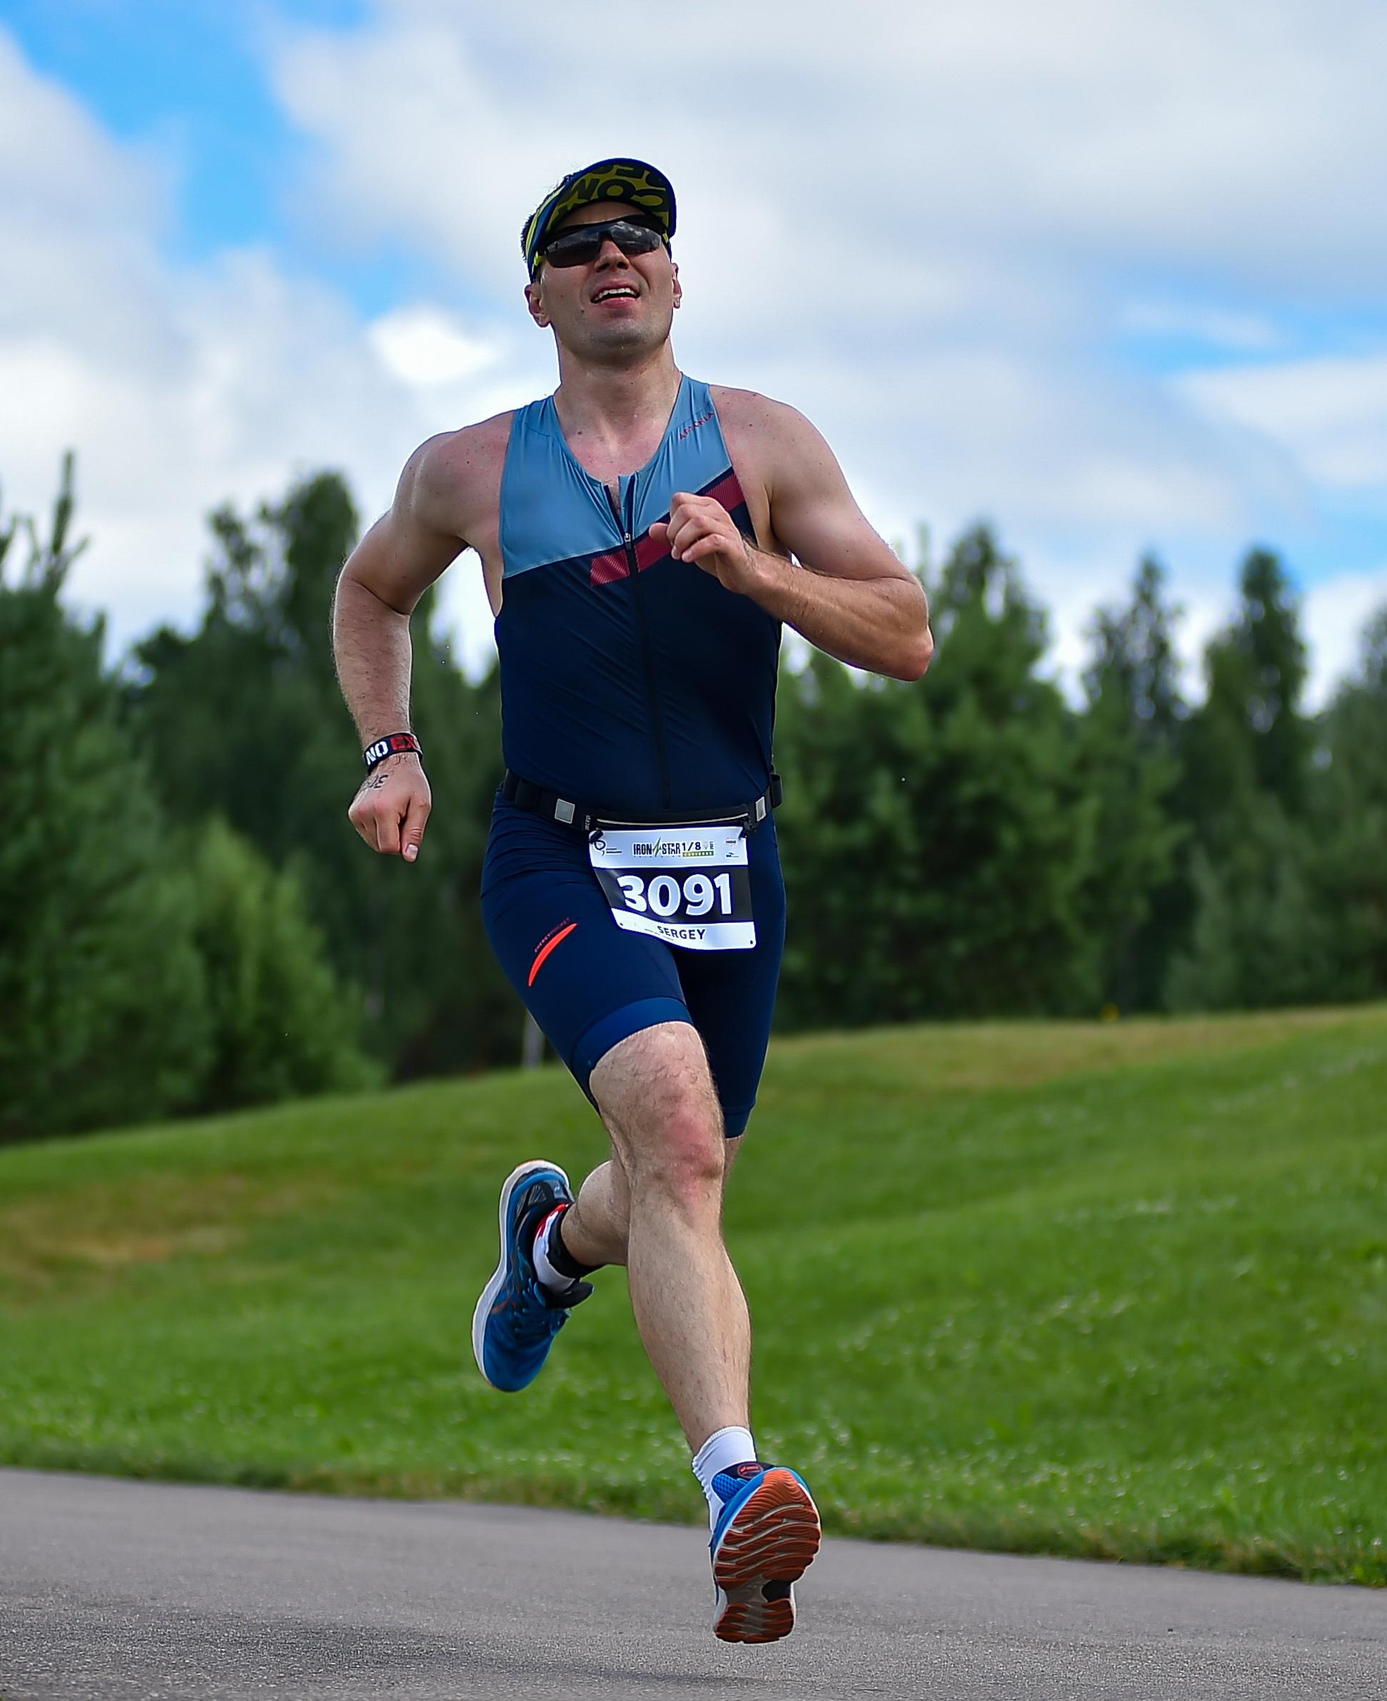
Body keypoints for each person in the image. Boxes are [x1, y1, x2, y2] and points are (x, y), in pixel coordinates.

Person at [333, 157, 932, 1643]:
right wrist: (392, 749)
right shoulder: (469, 468)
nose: (619, 254)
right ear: (535, 293)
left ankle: (550, 1252)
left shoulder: (766, 444)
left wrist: (759, 572)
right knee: (674, 1127)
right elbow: (370, 594)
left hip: (735, 862)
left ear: (676, 277)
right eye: (582, 242)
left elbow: (907, 633)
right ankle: (739, 1491)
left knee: (682, 1173)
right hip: (559, 856)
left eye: (644, 236)